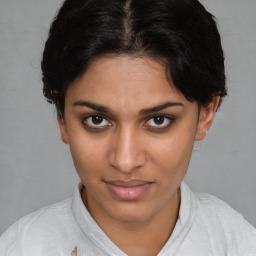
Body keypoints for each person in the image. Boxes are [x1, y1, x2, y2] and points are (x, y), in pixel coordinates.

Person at [0, 0, 255, 255]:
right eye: (96, 119)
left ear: (205, 114)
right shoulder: (22, 247)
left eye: (158, 120)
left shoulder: (236, 243)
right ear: (62, 117)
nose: (125, 161)